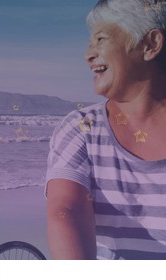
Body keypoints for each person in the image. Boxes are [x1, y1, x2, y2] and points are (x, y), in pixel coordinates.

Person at [46, 0, 166, 259]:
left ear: (150, 44)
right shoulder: (83, 129)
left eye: (100, 39)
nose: (88, 55)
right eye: (90, 44)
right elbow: (66, 211)